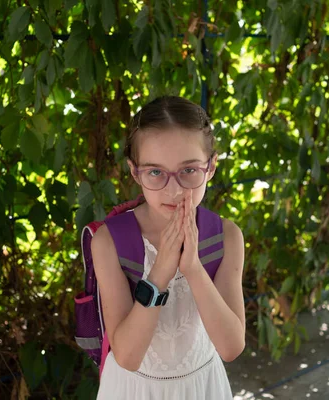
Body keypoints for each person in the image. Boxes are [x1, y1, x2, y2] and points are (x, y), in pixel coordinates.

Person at [93, 96, 245, 399]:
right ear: (135, 172)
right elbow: (128, 357)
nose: (174, 190)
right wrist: (160, 271)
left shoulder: (225, 236)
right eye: (155, 172)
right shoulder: (110, 241)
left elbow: (231, 347)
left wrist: (192, 268)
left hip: (203, 387)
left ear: (211, 166)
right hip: (133, 389)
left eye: (188, 170)